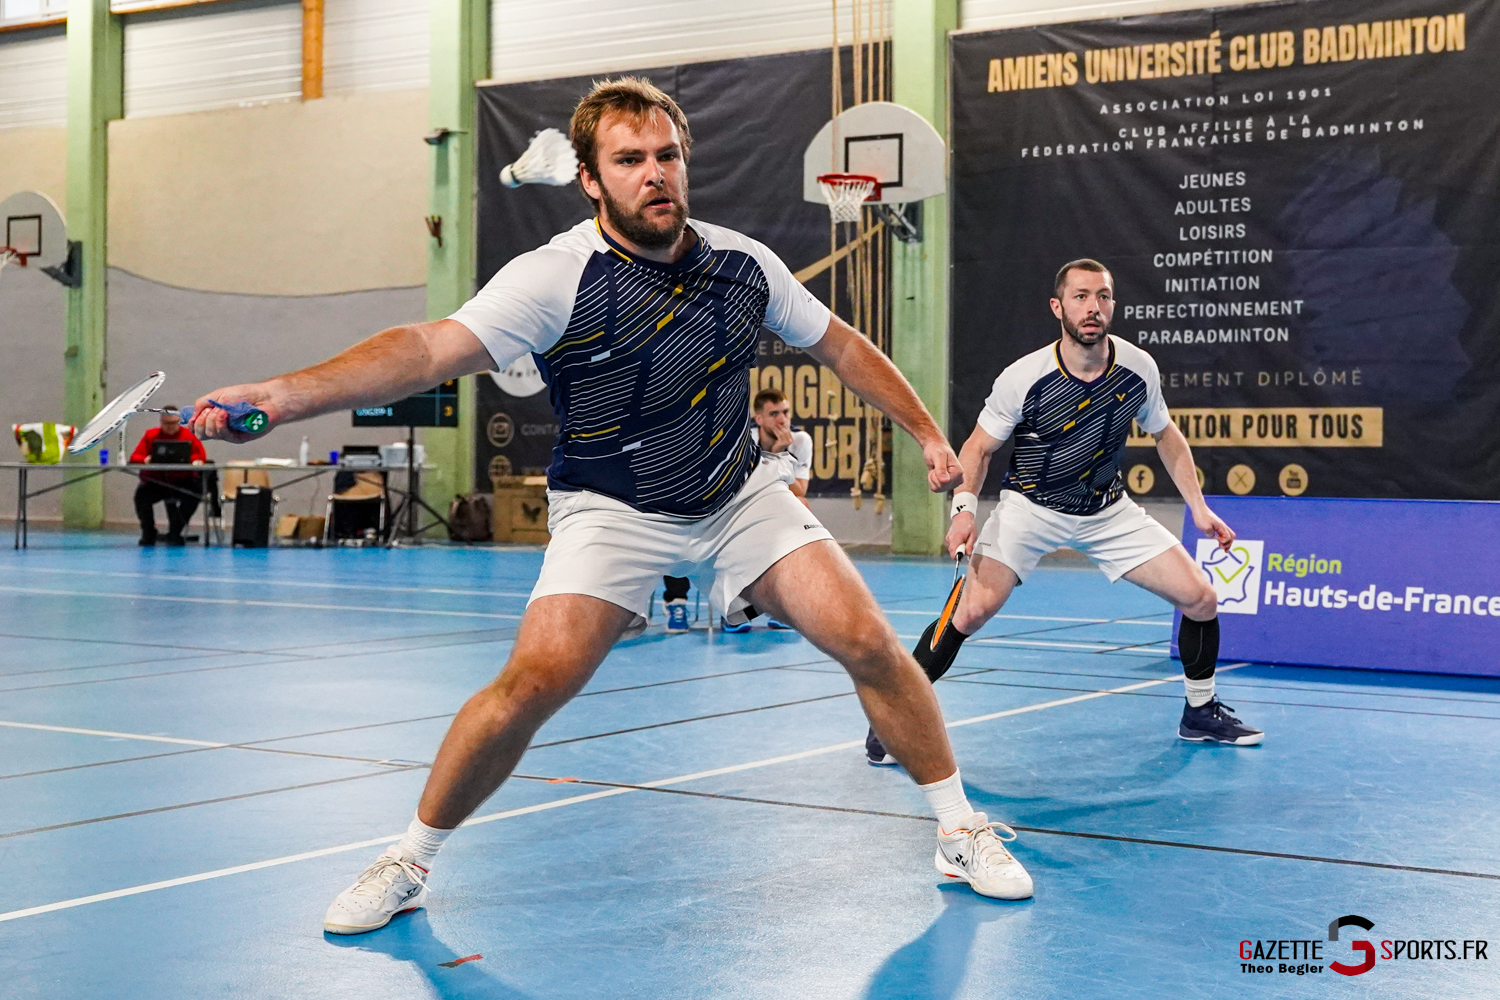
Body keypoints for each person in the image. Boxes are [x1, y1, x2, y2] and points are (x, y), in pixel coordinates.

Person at [190, 77, 1035, 932]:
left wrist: (928, 435)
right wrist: (284, 395)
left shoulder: (743, 265)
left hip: (736, 492)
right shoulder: (554, 277)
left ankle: (958, 830)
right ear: (590, 180)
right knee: (532, 683)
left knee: (869, 641)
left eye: (666, 156)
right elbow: (424, 350)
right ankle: (408, 859)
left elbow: (841, 346)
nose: (655, 173)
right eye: (629, 161)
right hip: (610, 506)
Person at [865, 258, 1262, 767]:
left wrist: (1199, 508)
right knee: (971, 611)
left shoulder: (1138, 367)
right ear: (1058, 307)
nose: (1093, 307)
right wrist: (963, 511)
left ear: (1112, 304)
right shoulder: (1024, 377)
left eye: (1102, 296)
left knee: (1201, 598)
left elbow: (1166, 435)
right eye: (1080, 297)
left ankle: (1200, 713)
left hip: (1107, 510)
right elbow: (979, 448)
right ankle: (893, 722)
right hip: (1030, 509)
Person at [716, 388, 812, 632]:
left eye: (785, 412)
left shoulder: (800, 440)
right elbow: (740, 485)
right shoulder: (743, 438)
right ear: (758, 419)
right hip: (739, 503)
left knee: (801, 508)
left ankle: (781, 605)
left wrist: (780, 452)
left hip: (774, 503)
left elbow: (799, 489)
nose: (782, 420)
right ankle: (734, 607)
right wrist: (775, 456)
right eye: (774, 414)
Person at [129, 406, 207, 546]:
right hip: (156, 482)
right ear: (161, 422)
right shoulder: (150, 435)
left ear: (179, 421)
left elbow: (201, 456)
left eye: (174, 423)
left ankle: (175, 531)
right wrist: (146, 459)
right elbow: (135, 457)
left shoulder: (189, 436)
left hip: (182, 481)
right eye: (166, 423)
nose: (170, 427)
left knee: (195, 494)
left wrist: (192, 460)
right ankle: (148, 532)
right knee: (141, 496)